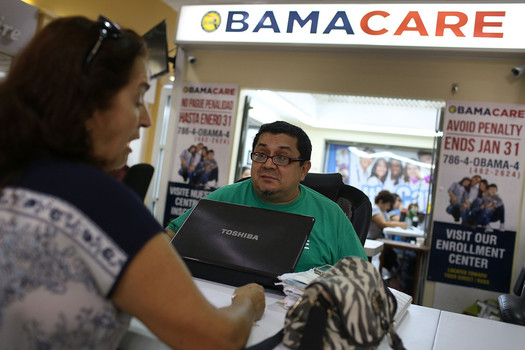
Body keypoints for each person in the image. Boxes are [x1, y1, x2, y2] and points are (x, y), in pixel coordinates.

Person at [0, 16, 264, 349]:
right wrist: (248, 303)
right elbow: (216, 338)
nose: (147, 118)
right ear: (89, 102)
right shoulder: (98, 199)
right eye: (138, 98)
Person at [166, 121, 367, 271]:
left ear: (303, 169)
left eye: (282, 158)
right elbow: (171, 235)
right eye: (261, 154)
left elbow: (361, 277)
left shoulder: (332, 214)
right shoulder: (224, 197)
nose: (268, 164)